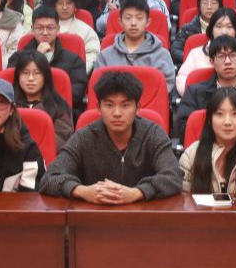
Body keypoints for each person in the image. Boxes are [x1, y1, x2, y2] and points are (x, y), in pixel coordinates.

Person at [38, 71, 182, 203]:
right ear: (98, 108)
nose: (117, 113)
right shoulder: (84, 137)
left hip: (142, 216)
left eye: (125, 105)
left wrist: (136, 193)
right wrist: (83, 191)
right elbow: (49, 178)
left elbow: (174, 176)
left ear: (138, 108)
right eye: (109, 105)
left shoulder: (153, 134)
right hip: (94, 216)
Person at [174, 35, 236, 141]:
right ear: (212, 61)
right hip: (205, 147)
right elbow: (185, 129)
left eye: (233, 55)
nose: (227, 61)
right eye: (221, 56)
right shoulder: (194, 93)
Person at [11, 6, 89, 111]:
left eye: (50, 28)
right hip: (23, 110)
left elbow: (76, 93)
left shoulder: (73, 60)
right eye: (39, 28)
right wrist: (37, 55)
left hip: (59, 112)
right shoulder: (18, 58)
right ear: (32, 29)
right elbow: (11, 88)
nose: (45, 33)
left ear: (58, 29)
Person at [176, 8, 236, 95]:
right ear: (211, 30)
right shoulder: (195, 54)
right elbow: (183, 81)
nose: (224, 31)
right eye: (219, 26)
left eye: (229, 27)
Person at [96, 0, 176, 94]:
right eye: (128, 18)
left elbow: (165, 88)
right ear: (120, 22)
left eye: (139, 18)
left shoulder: (162, 55)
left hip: (150, 102)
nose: (133, 23)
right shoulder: (105, 56)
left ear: (147, 22)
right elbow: (98, 86)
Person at [11, 49, 74, 149]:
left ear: (45, 76)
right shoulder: (9, 106)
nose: (31, 78)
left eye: (36, 73)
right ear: (18, 76)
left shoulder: (59, 106)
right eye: (25, 73)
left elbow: (62, 141)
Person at [45, 0, 99, 68]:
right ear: (54, 5)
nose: (65, 7)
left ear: (75, 5)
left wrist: (77, 71)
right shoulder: (43, 28)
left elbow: (92, 55)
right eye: (60, 3)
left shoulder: (86, 30)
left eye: (69, 3)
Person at [172, 0, 224, 64]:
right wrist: (193, 59)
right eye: (205, 3)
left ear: (220, 6)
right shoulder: (187, 29)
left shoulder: (227, 28)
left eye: (213, 3)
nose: (209, 7)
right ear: (199, 6)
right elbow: (175, 51)